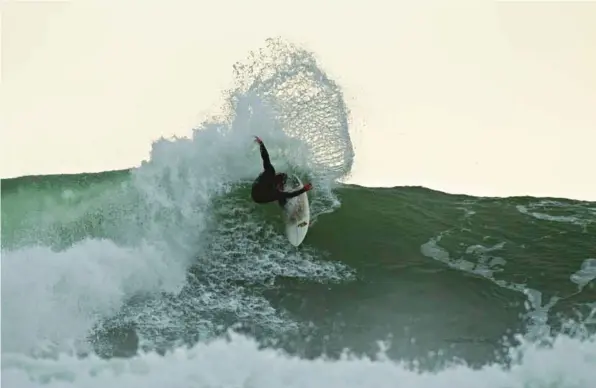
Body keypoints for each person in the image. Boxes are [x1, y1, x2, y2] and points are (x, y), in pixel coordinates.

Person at [251, 136, 313, 208]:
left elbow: (265, 157)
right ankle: (283, 203)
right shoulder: (274, 193)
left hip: (256, 189)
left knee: (282, 178)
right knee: (282, 192)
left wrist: (261, 144)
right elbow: (290, 195)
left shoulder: (268, 170)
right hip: (259, 199)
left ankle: (280, 193)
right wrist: (304, 189)